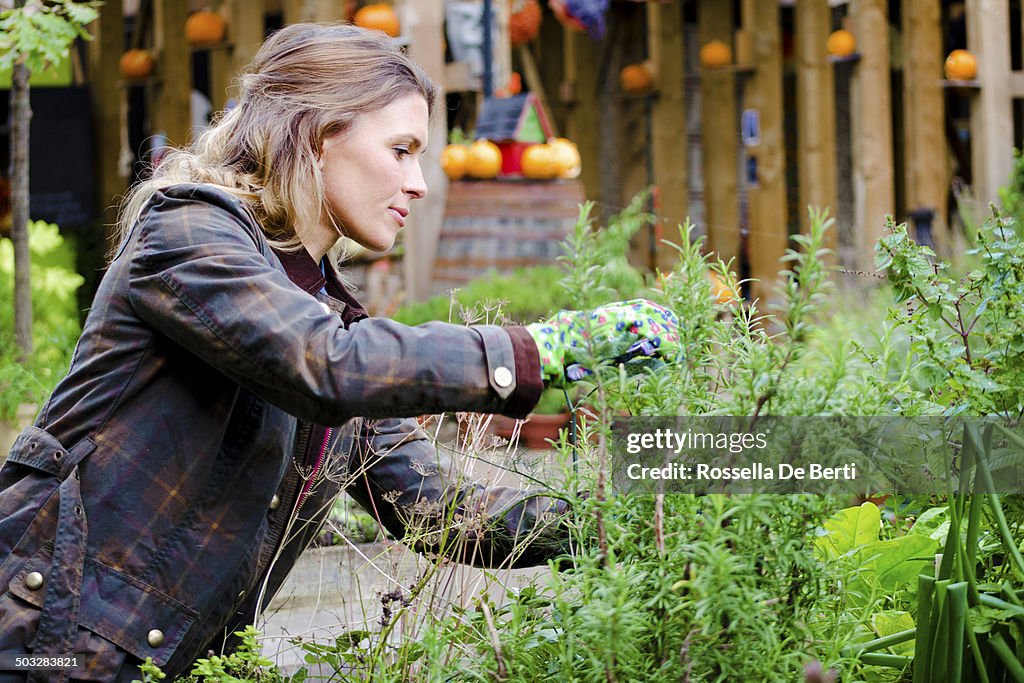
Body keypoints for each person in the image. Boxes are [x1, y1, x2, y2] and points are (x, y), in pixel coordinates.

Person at [0, 23, 679, 682]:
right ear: (318, 136)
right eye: (401, 149)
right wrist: (544, 349)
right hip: (40, 648)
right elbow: (324, 364)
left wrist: (647, 503)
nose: (418, 182)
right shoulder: (187, 233)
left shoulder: (326, 316)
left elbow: (436, 508)